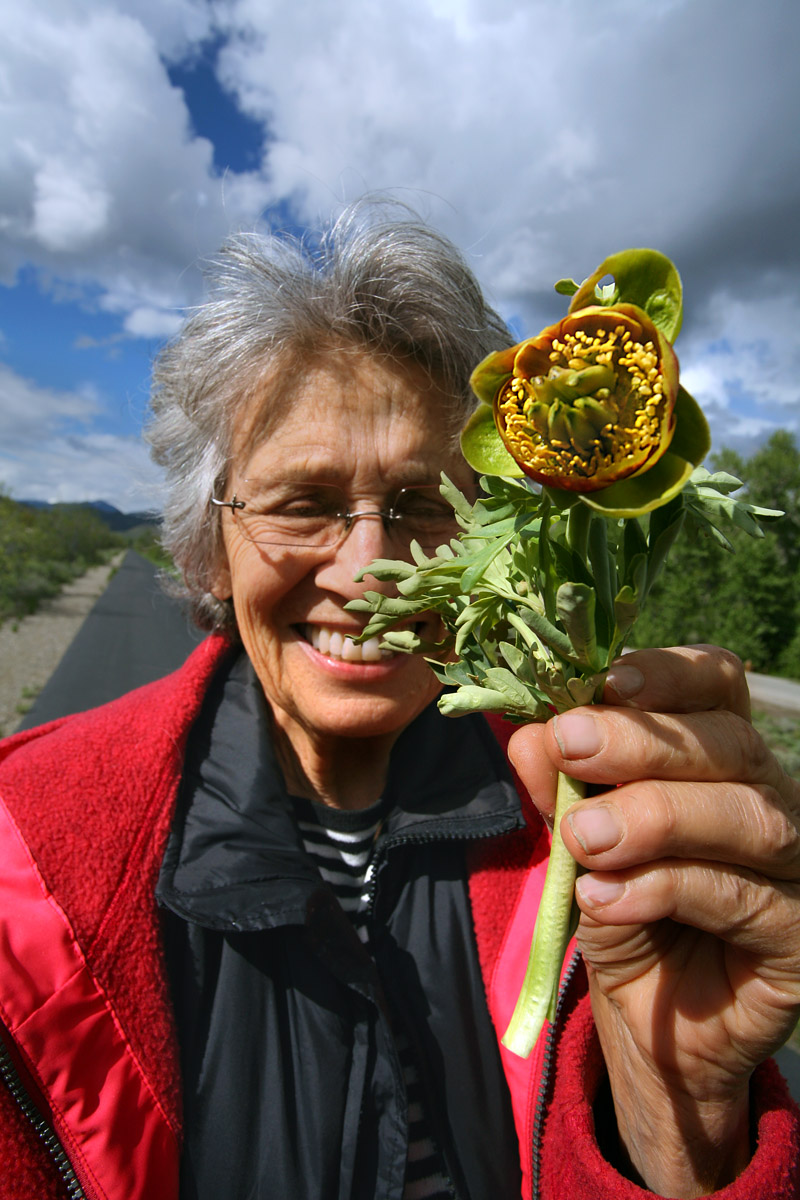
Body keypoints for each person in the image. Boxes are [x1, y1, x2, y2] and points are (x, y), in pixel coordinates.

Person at [0, 202, 798, 1200]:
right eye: (303, 504)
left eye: (425, 504)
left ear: (500, 537)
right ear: (210, 550)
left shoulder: (597, 828)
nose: (372, 571)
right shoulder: (29, 864)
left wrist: (680, 1113)